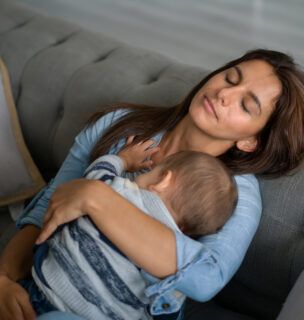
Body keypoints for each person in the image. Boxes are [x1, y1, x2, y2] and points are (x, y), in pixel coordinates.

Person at [1, 49, 304, 320]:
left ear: (251, 140)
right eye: (230, 77)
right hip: (45, 282)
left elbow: (205, 278)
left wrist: (96, 197)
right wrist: (4, 280)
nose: (225, 93)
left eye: (246, 105)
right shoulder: (119, 125)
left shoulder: (235, 193)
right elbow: (48, 207)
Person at [25, 145, 237, 319]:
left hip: (41, 292)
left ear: (163, 180)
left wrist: (123, 160)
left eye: (149, 172)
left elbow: (96, 174)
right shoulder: (174, 266)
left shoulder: (119, 191)